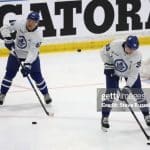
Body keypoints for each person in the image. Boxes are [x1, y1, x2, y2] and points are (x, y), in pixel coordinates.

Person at [0, 11, 52, 105]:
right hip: (15, 53)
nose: (30, 23)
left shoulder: (38, 36)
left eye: (33, 21)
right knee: (9, 74)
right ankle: (2, 94)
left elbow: (33, 52)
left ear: (37, 23)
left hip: (30, 56)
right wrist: (7, 38)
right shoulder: (20, 23)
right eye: (29, 20)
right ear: (27, 20)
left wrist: (27, 64)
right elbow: (4, 28)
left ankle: (46, 94)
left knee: (37, 76)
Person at [100, 35, 150, 131]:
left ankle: (147, 115)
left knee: (138, 93)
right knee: (111, 94)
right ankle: (105, 117)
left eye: (134, 49)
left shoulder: (137, 55)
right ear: (125, 45)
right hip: (113, 71)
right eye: (130, 48)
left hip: (129, 74)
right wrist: (108, 64)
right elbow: (103, 52)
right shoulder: (115, 45)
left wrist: (127, 87)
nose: (131, 51)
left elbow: (134, 74)